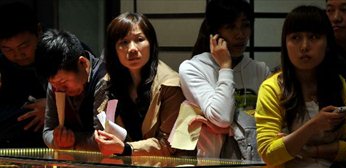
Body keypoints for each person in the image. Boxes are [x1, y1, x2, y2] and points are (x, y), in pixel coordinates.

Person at [256, 5, 346, 168]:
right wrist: (313, 126)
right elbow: (269, 153)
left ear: (327, 43)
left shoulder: (337, 84)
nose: (304, 46)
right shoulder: (272, 88)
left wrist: (309, 150)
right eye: (295, 38)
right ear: (285, 44)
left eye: (314, 37)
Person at [178, 0, 270, 159]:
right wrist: (226, 67)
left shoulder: (260, 70)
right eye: (230, 27)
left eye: (245, 25)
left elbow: (271, 124)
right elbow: (222, 118)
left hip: (257, 166)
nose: (240, 34)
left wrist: (230, 129)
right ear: (215, 32)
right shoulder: (193, 68)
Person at [94, 12, 185, 157]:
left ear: (151, 43)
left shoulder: (170, 85)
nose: (132, 49)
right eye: (124, 42)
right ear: (114, 49)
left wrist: (127, 149)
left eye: (139, 39)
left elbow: (170, 144)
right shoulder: (108, 82)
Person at [35, 29, 106, 151]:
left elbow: (105, 138)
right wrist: (56, 140)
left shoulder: (104, 80)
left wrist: (73, 140)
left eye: (63, 82)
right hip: (72, 165)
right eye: (53, 83)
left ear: (83, 63)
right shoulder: (55, 83)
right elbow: (47, 131)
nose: (59, 89)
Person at [0, 2, 46, 148]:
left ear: (38, 31)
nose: (17, 55)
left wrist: (54, 105)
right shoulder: (2, 62)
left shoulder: (59, 52)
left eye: (24, 46)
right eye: (7, 49)